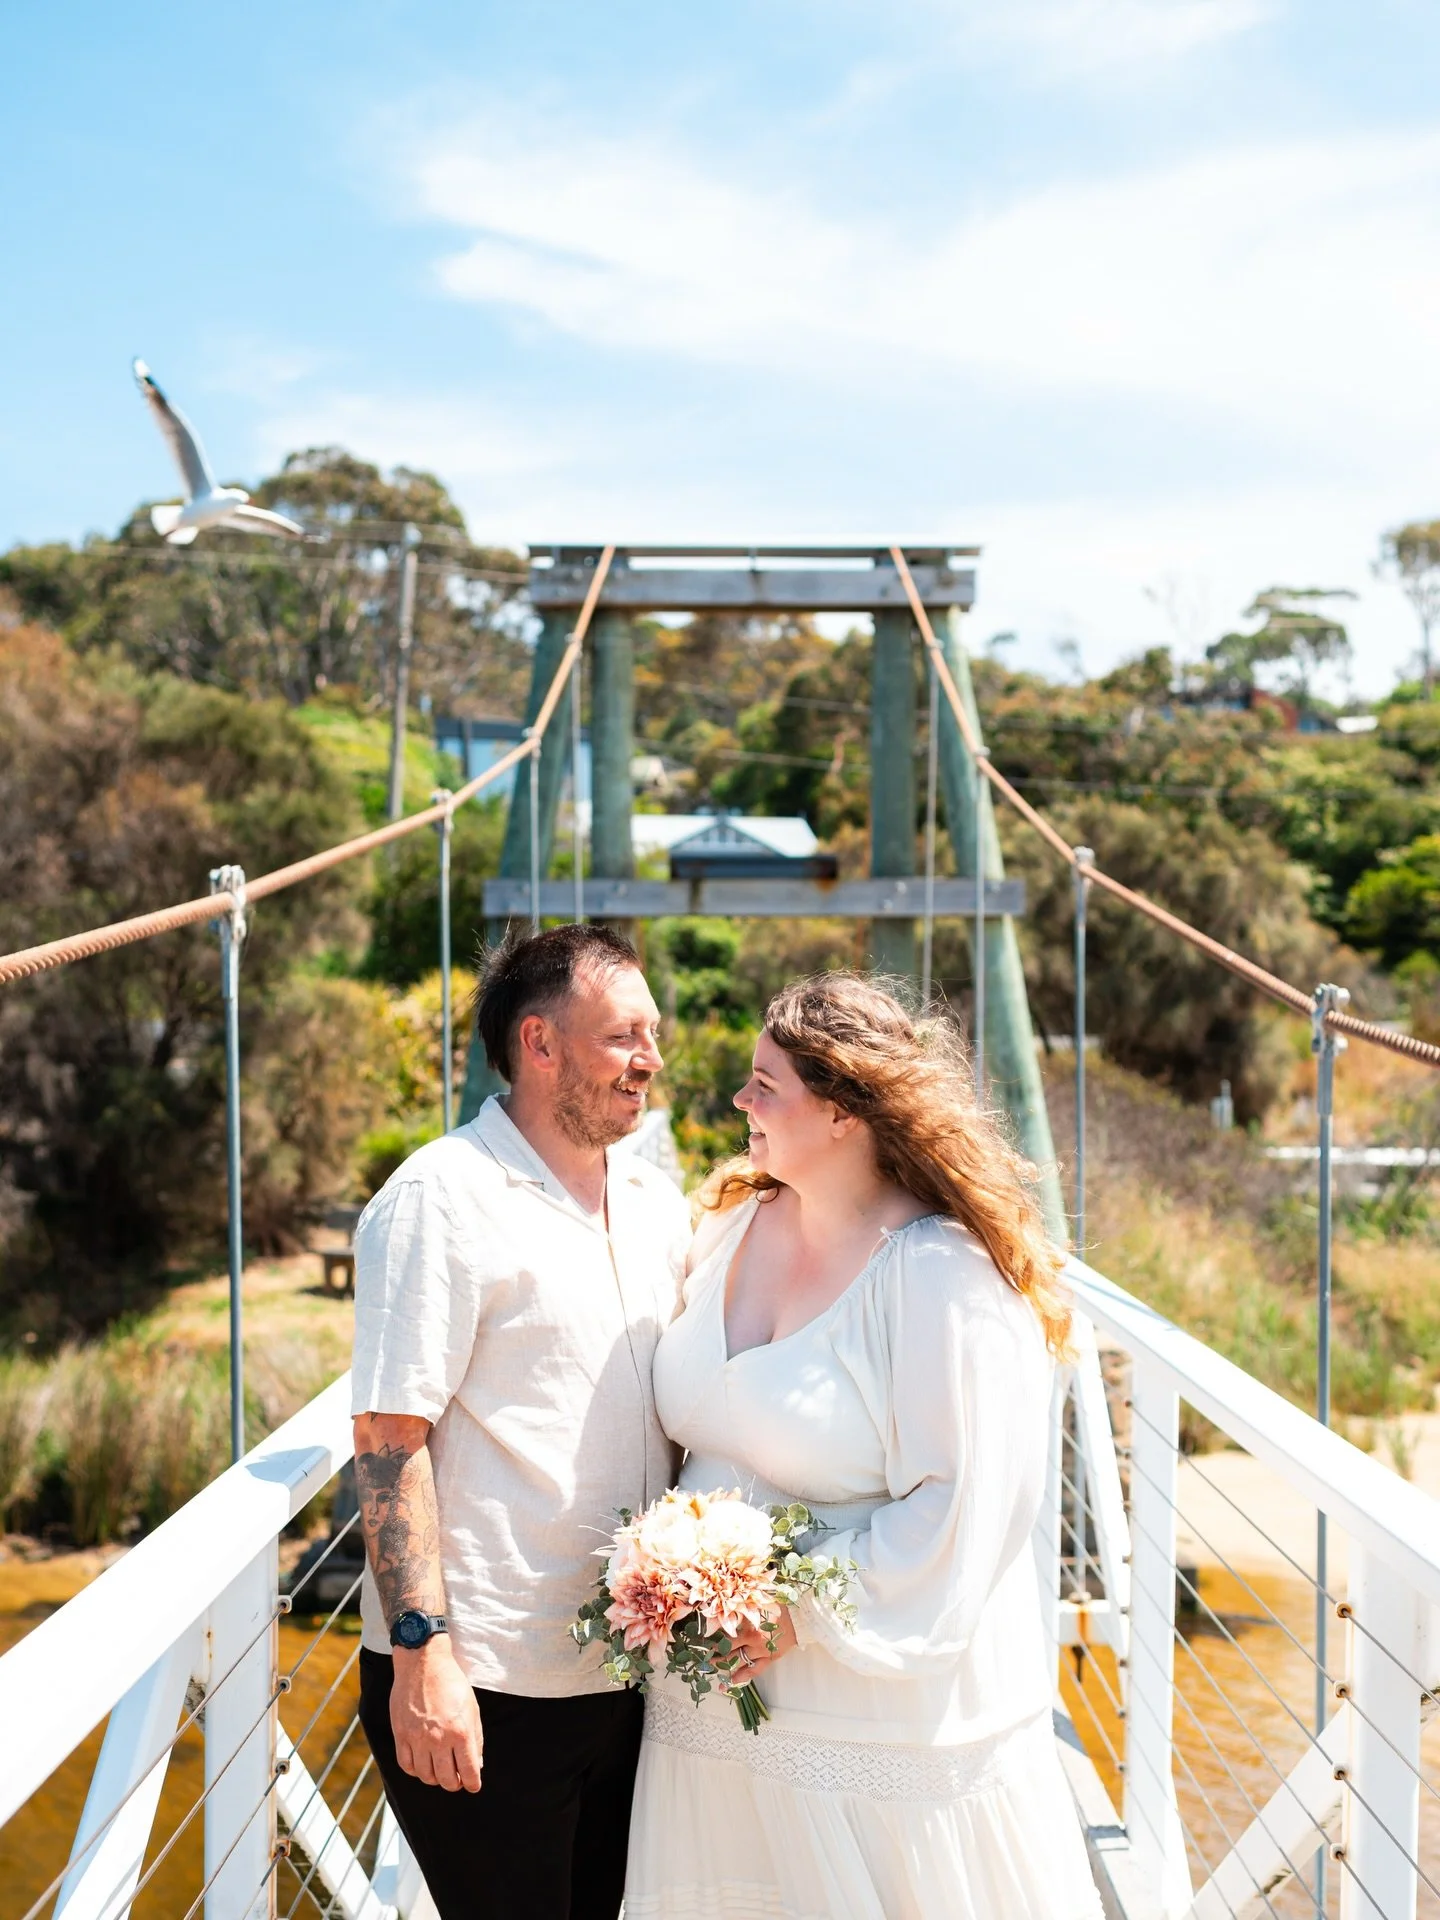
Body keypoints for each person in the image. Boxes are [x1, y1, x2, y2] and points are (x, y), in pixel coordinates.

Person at [625, 973, 1103, 1920]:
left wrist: (795, 1610)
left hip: (870, 1729)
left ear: (842, 1109)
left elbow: (965, 1502)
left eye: (766, 1085)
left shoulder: (942, 1276)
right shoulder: (726, 1224)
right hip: (707, 1709)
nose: (739, 1101)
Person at [351, 923, 691, 1920]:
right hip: (486, 1686)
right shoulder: (438, 1201)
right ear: (541, 1045)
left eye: (653, 1033)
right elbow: (387, 1440)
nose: (652, 1061)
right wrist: (423, 1658)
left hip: (631, 1683)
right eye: (625, 1036)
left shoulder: (656, 1201)